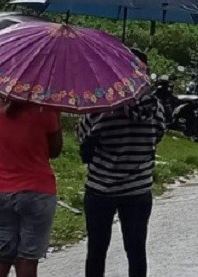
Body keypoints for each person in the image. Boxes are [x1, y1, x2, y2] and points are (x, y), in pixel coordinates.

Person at [77, 57, 166, 277]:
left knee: (96, 251)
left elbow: (82, 138)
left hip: (100, 189)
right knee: (136, 251)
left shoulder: (99, 109)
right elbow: (159, 135)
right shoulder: (155, 108)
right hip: (138, 189)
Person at [0, 99, 62, 277]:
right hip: (37, 190)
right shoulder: (45, 110)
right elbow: (55, 150)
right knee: (28, 259)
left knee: (2, 258)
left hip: (1, 190)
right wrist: (57, 115)